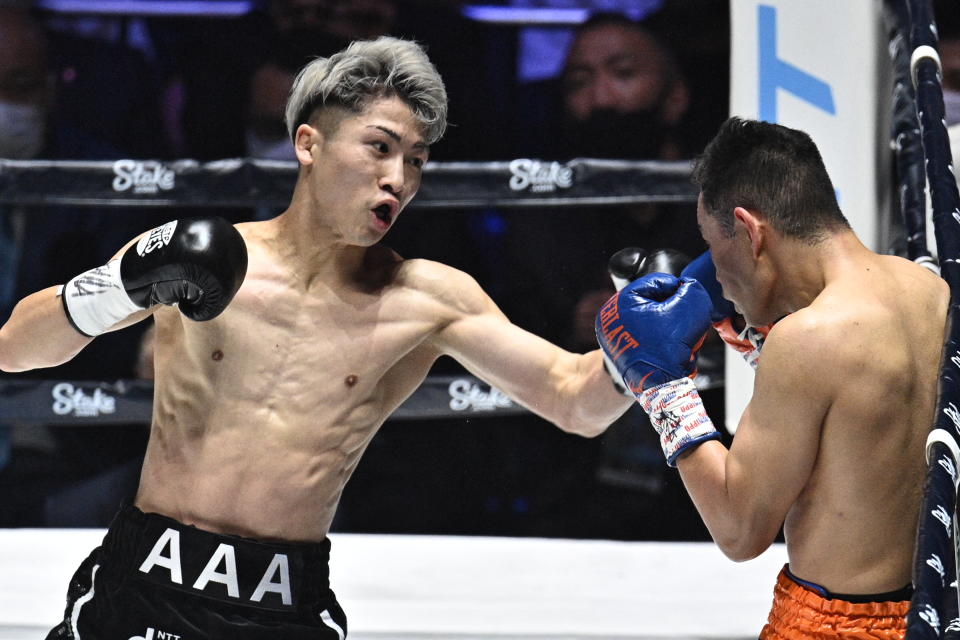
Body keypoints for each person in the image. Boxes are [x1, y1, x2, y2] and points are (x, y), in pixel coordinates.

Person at [0, 36, 633, 638]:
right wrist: (119, 284)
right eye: (380, 147)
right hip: (143, 580)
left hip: (282, 604)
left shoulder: (427, 299)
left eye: (416, 160)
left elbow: (574, 400)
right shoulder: (203, 254)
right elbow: (15, 349)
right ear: (309, 144)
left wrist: (642, 348)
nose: (399, 179)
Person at [598, 117, 949, 638]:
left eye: (713, 244)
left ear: (749, 230)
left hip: (835, 625)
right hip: (934, 609)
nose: (712, 271)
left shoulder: (807, 341)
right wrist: (753, 343)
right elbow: (859, 432)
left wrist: (663, 389)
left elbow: (740, 529)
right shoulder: (928, 289)